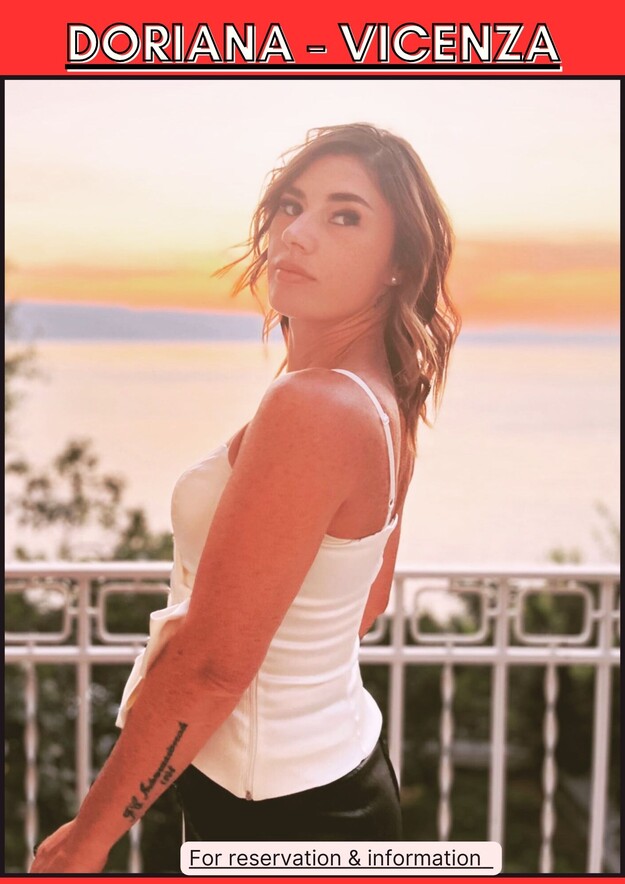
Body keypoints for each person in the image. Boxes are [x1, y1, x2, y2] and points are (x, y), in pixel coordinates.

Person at [29, 123, 461, 872]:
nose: (296, 233)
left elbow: (213, 669)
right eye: (292, 205)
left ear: (399, 264)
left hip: (281, 816)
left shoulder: (315, 407)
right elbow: (363, 602)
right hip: (337, 774)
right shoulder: (380, 397)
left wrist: (87, 839)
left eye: (344, 215)